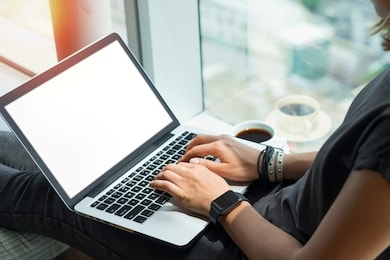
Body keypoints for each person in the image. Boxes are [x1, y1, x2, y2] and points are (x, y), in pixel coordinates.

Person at [0, 1, 389, 259]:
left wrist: (222, 204)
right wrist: (268, 162)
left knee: (49, 196)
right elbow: (353, 159)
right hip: (269, 205)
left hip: (240, 246)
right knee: (62, 162)